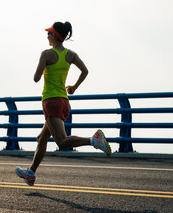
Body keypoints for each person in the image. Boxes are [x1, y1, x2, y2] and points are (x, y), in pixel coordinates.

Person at [15, 22, 111, 186]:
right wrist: (74, 87)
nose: (47, 36)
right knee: (42, 138)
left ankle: (94, 140)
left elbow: (36, 78)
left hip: (51, 101)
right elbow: (85, 71)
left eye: (49, 34)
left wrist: (43, 66)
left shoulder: (46, 54)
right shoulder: (70, 54)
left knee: (61, 141)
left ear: (54, 36)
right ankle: (30, 173)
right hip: (64, 101)